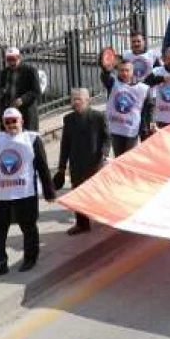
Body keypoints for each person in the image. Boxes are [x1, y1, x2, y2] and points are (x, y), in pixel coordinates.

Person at [0, 108, 56, 279]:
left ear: (21, 121)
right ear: (3, 124)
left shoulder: (32, 139)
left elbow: (43, 167)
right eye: (7, 122)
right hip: (2, 194)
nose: (11, 125)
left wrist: (49, 192)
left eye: (14, 121)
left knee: (28, 226)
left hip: (25, 192)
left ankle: (30, 258)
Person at [54, 89, 109, 235]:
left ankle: (104, 217)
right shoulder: (68, 119)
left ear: (87, 99)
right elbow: (65, 143)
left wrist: (104, 154)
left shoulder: (98, 116)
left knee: (96, 192)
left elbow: (106, 137)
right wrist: (61, 166)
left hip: (95, 162)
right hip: (76, 163)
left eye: (79, 99)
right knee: (78, 193)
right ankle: (82, 224)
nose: (76, 101)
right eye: (73, 99)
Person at [99, 59, 152, 156]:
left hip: (131, 130)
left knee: (129, 157)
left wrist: (147, 125)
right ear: (118, 71)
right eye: (121, 70)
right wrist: (106, 70)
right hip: (116, 128)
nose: (124, 73)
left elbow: (148, 108)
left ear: (132, 71)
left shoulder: (143, 88)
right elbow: (105, 77)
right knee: (118, 157)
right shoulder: (113, 83)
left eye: (127, 70)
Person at [0, 46, 41, 131]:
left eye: (13, 59)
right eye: (8, 60)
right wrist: (1, 92)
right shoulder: (4, 73)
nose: (11, 62)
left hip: (26, 112)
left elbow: (36, 91)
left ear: (19, 58)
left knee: (28, 139)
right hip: (10, 112)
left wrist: (22, 100)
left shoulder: (30, 71)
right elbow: (1, 89)